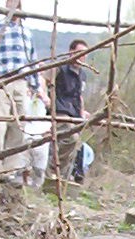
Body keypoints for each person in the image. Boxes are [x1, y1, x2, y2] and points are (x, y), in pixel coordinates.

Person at [0, 0, 46, 186]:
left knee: (18, 126)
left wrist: (34, 85)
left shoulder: (26, 31)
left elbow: (32, 59)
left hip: (21, 82)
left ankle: (9, 170)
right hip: (1, 81)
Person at [48, 38, 88, 181]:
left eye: (85, 54)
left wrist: (82, 112)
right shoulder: (60, 68)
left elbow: (80, 95)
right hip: (60, 110)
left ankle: (62, 176)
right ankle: (53, 169)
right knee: (71, 138)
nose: (82, 56)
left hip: (75, 112)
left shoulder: (82, 74)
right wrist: (46, 99)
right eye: (79, 53)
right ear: (71, 52)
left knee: (76, 145)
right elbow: (44, 80)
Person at [23, 75, 50, 187]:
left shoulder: (45, 99)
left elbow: (50, 109)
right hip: (26, 129)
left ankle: (38, 182)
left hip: (41, 128)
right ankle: (24, 178)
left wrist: (44, 98)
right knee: (25, 155)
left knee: (41, 156)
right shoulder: (24, 97)